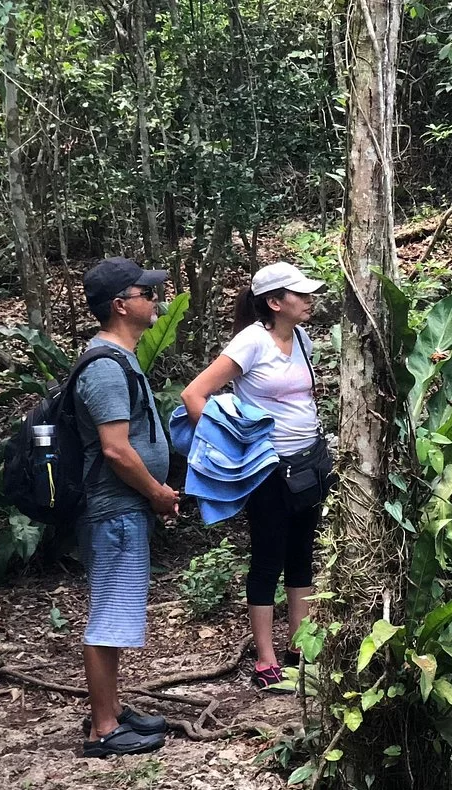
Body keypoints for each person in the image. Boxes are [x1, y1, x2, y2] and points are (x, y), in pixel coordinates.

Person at [181, 262, 328, 690]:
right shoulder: (251, 341)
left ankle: (299, 649)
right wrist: (231, 451)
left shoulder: (302, 339)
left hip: (308, 463)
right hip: (269, 470)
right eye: (300, 294)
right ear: (275, 302)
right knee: (268, 559)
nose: (309, 300)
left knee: (301, 555)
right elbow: (194, 394)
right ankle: (266, 659)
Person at [76, 257, 179, 757]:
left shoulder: (120, 358)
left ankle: (112, 710)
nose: (156, 300)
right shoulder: (105, 367)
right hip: (115, 509)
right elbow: (116, 450)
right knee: (108, 616)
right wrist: (156, 492)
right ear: (121, 305)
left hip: (125, 507)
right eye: (147, 293)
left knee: (116, 613)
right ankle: (103, 730)